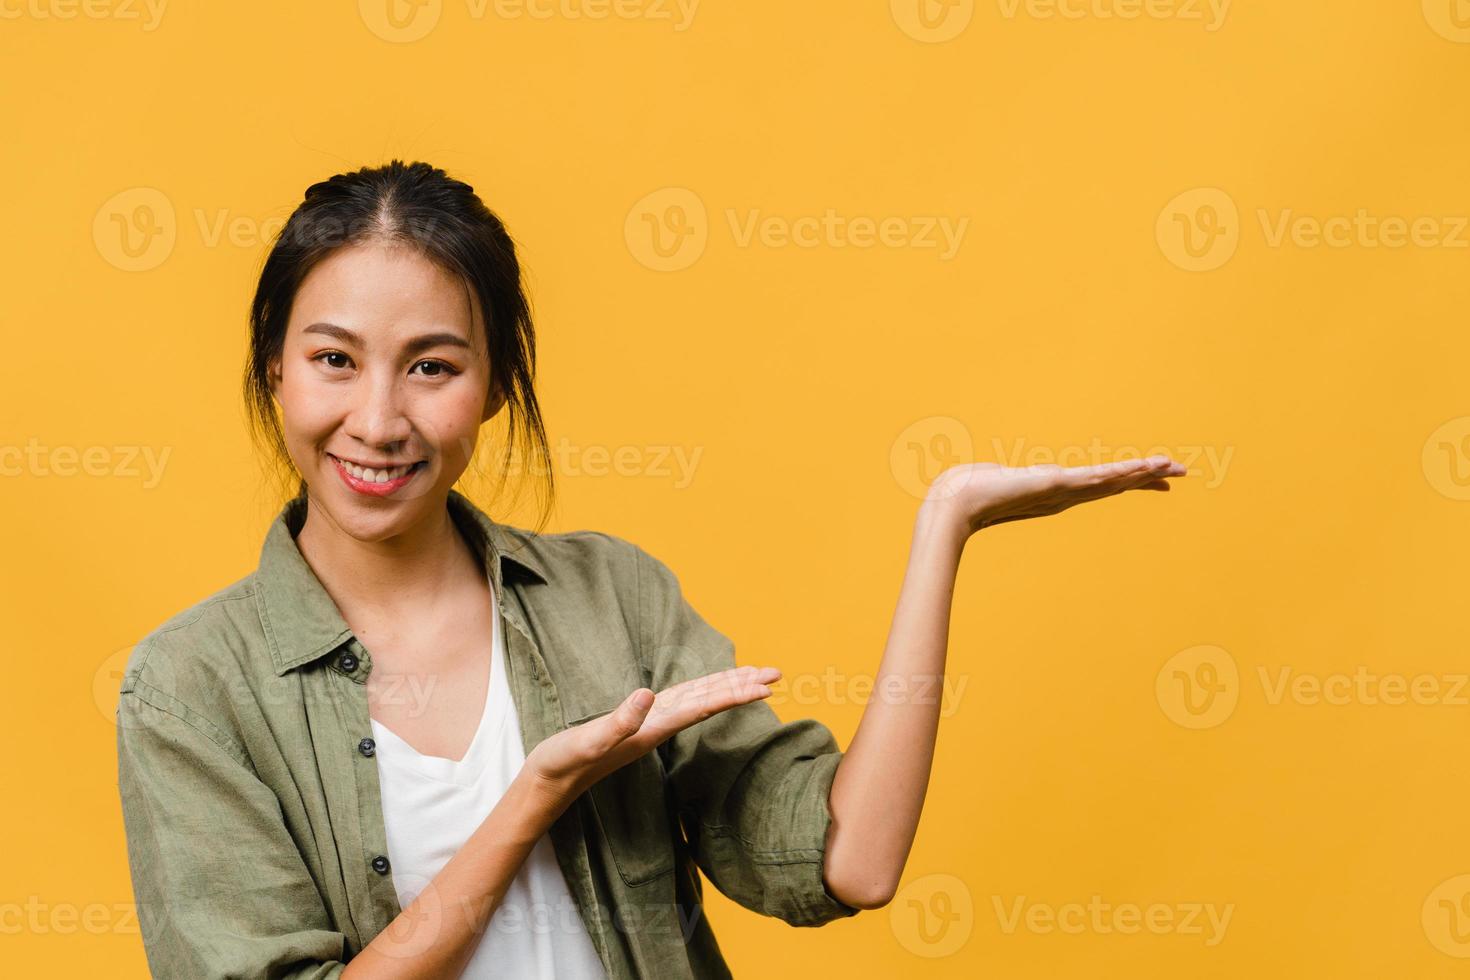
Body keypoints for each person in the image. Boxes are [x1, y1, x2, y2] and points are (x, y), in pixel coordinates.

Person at [115, 160, 1187, 979]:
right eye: (334, 358)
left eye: (432, 366)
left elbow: (847, 864)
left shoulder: (611, 598)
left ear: (493, 385)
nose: (381, 419)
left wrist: (943, 530)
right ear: (275, 367)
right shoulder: (191, 686)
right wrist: (535, 793)